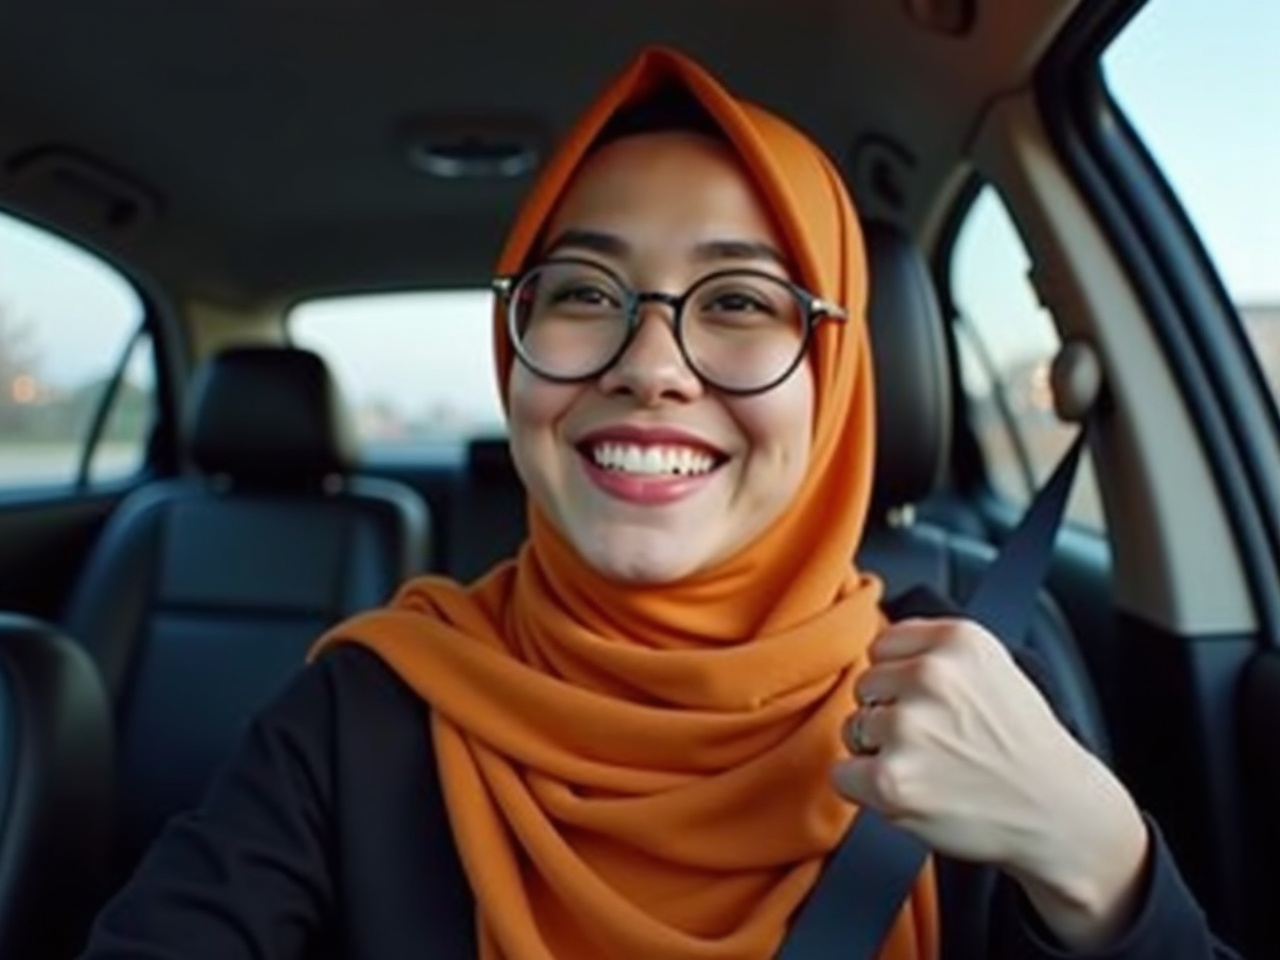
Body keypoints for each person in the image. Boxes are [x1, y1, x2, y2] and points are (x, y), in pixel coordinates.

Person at [78, 46, 1236, 960]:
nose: (651, 363)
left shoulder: (972, 685)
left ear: (835, 376)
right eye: (582, 290)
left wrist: (1098, 860)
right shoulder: (369, 700)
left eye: (738, 302)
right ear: (514, 343)